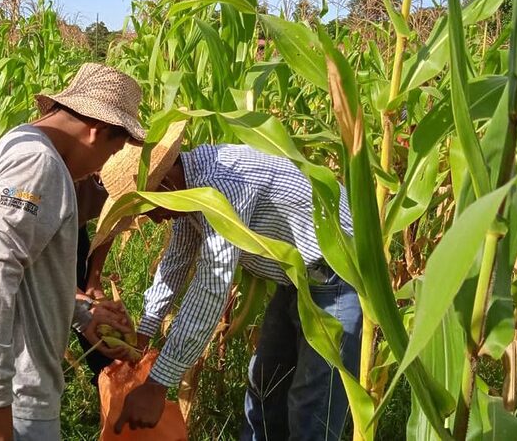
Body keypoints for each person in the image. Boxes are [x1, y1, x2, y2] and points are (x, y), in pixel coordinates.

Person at [96, 139, 362, 441]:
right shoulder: (189, 192)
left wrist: (157, 386)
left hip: (337, 278)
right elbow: (176, 262)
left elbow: (212, 287)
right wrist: (143, 333)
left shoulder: (223, 186)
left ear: (167, 184)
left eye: (148, 208)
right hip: (297, 281)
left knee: (312, 405)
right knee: (265, 387)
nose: (152, 219)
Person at [0, 63, 144, 441]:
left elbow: (26, 272)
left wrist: (82, 315)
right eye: (115, 148)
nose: (106, 164)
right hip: (10, 395)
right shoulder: (39, 164)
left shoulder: (23, 145)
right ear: (97, 130)